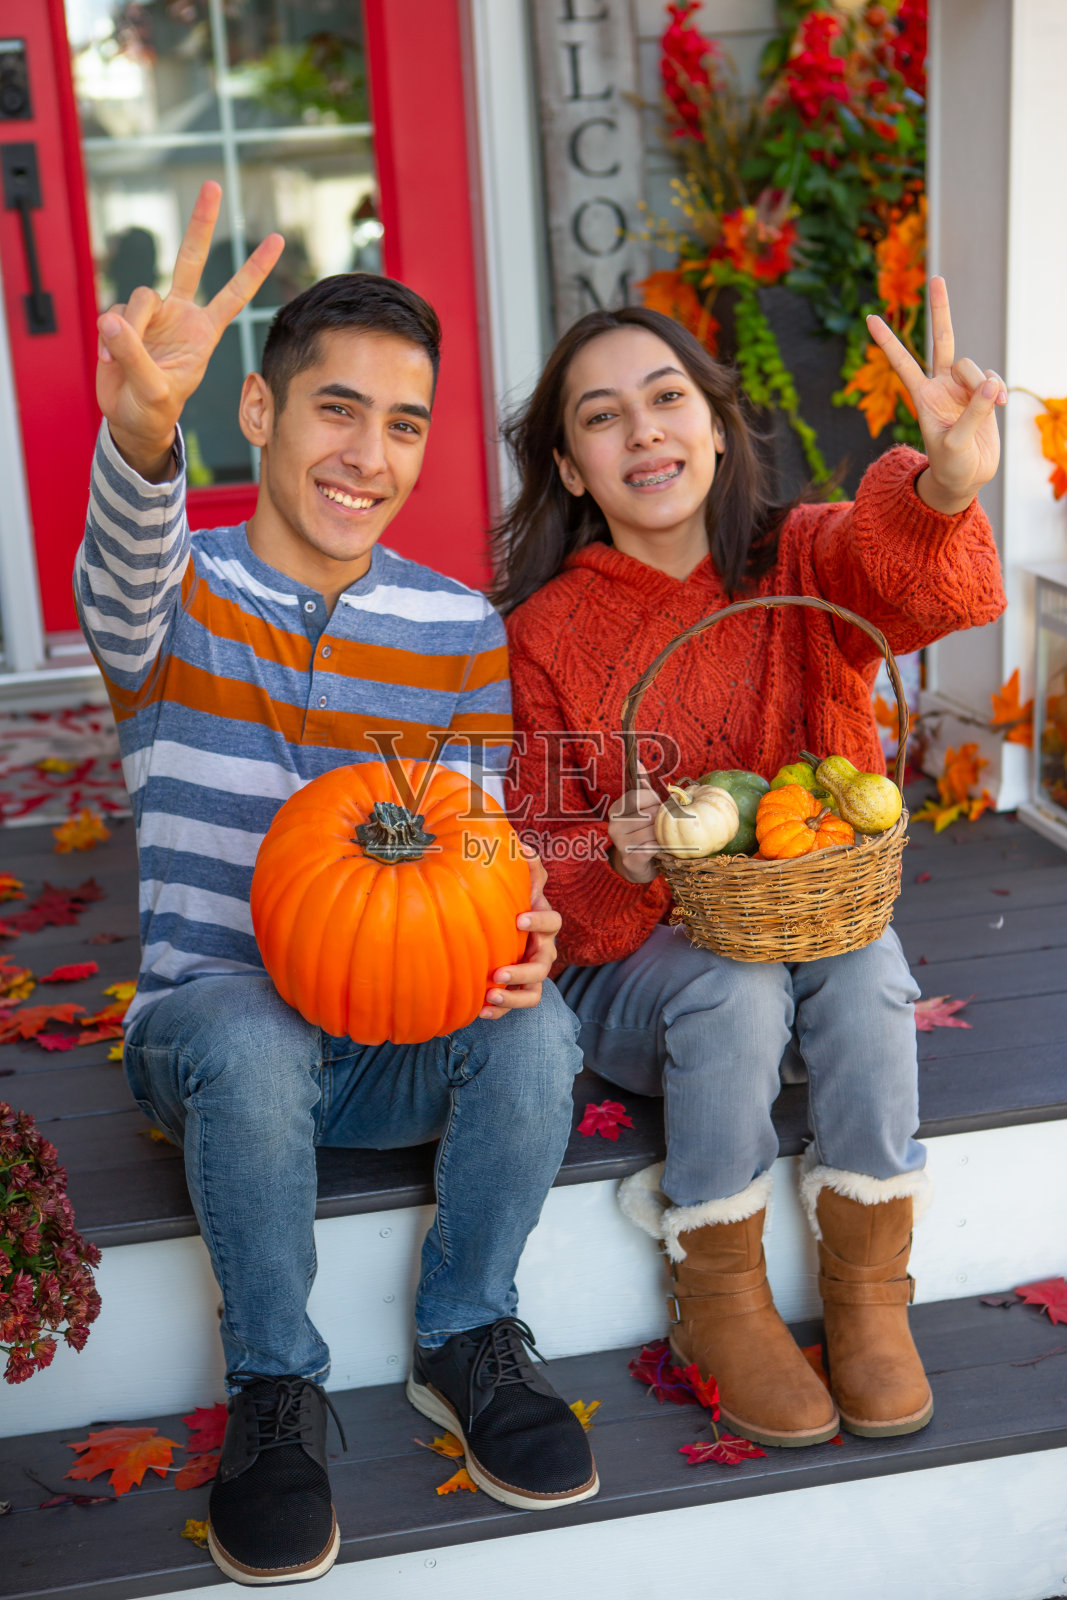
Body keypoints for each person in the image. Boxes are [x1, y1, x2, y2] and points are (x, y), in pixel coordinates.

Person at [75, 181, 596, 1587]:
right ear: (258, 413)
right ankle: (274, 1388)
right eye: (336, 410)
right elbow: (121, 562)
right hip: (214, 1042)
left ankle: (466, 1332)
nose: (369, 454)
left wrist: (527, 925)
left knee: (536, 1031)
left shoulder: (454, 626)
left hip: (389, 1039)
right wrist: (140, 433)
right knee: (248, 1035)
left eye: (403, 423)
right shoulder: (177, 596)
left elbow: (473, 847)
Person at [497, 284, 1007, 1450]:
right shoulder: (542, 635)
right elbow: (541, 865)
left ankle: (867, 1289)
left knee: (867, 969)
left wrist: (943, 486)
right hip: (643, 979)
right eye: (601, 417)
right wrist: (613, 853)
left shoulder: (803, 557)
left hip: (809, 945)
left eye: (666, 398)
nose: (643, 432)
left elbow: (921, 583)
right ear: (569, 467)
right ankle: (717, 1296)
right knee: (730, 987)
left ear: (719, 426)